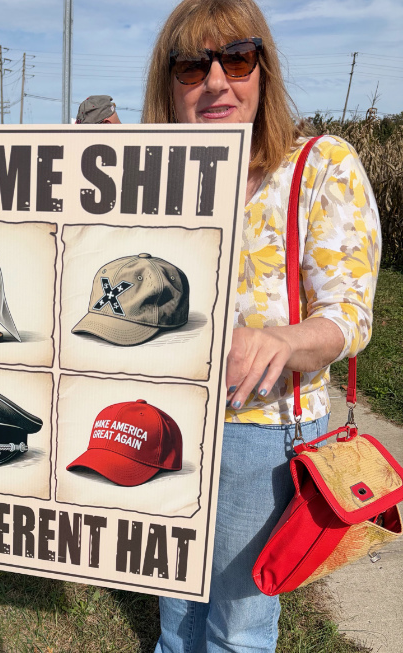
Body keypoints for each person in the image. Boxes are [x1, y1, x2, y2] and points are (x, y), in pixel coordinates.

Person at [142, 0, 381, 651]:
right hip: (168, 418)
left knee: (238, 623)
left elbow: (349, 317)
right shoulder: (153, 184)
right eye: (192, 66)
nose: (216, 81)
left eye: (236, 58)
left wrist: (282, 339)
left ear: (263, 69)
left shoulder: (320, 165)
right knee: (176, 599)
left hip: (263, 432)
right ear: (169, 86)